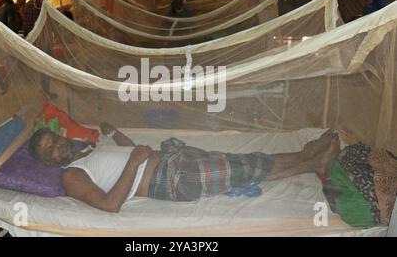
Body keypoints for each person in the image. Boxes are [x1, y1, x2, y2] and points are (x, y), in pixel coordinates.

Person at [28, 124, 341, 213]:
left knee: (244, 161)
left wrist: (115, 135)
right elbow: (109, 205)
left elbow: (129, 149)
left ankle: (304, 154)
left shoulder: (88, 149)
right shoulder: (71, 176)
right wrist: (135, 162)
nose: (57, 146)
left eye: (54, 139)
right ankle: (314, 162)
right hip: (172, 179)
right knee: (246, 168)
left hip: (172, 159)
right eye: (49, 150)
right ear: (47, 162)